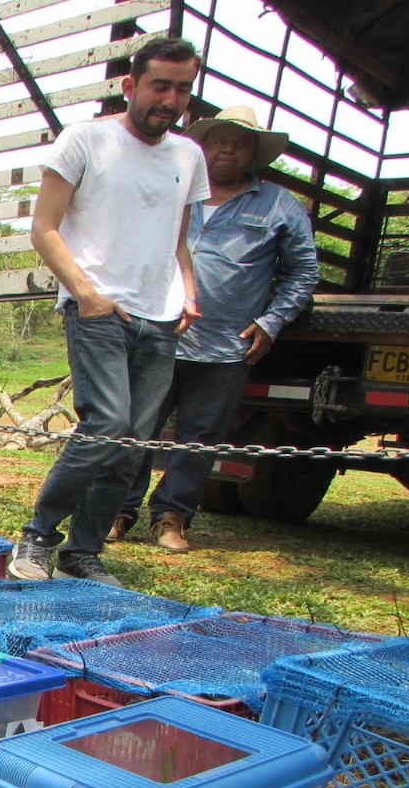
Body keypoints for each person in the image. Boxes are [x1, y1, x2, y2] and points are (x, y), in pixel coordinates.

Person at [7, 35, 209, 587]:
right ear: (130, 86)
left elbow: (178, 238)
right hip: (98, 307)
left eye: (181, 89)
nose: (169, 100)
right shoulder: (84, 141)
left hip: (162, 315)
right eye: (159, 86)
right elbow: (43, 228)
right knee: (107, 425)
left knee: (131, 445)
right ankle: (39, 536)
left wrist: (188, 290)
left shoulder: (189, 155)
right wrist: (85, 292)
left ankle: (83, 553)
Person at [109, 106, 318, 553]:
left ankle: (171, 518)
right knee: (136, 427)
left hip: (227, 345)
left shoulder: (279, 204)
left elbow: (302, 272)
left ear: (254, 154)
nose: (227, 149)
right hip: (159, 332)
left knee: (199, 437)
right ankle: (117, 511)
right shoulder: (174, 191)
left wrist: (272, 320)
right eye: (219, 139)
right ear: (202, 148)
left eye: (239, 142)